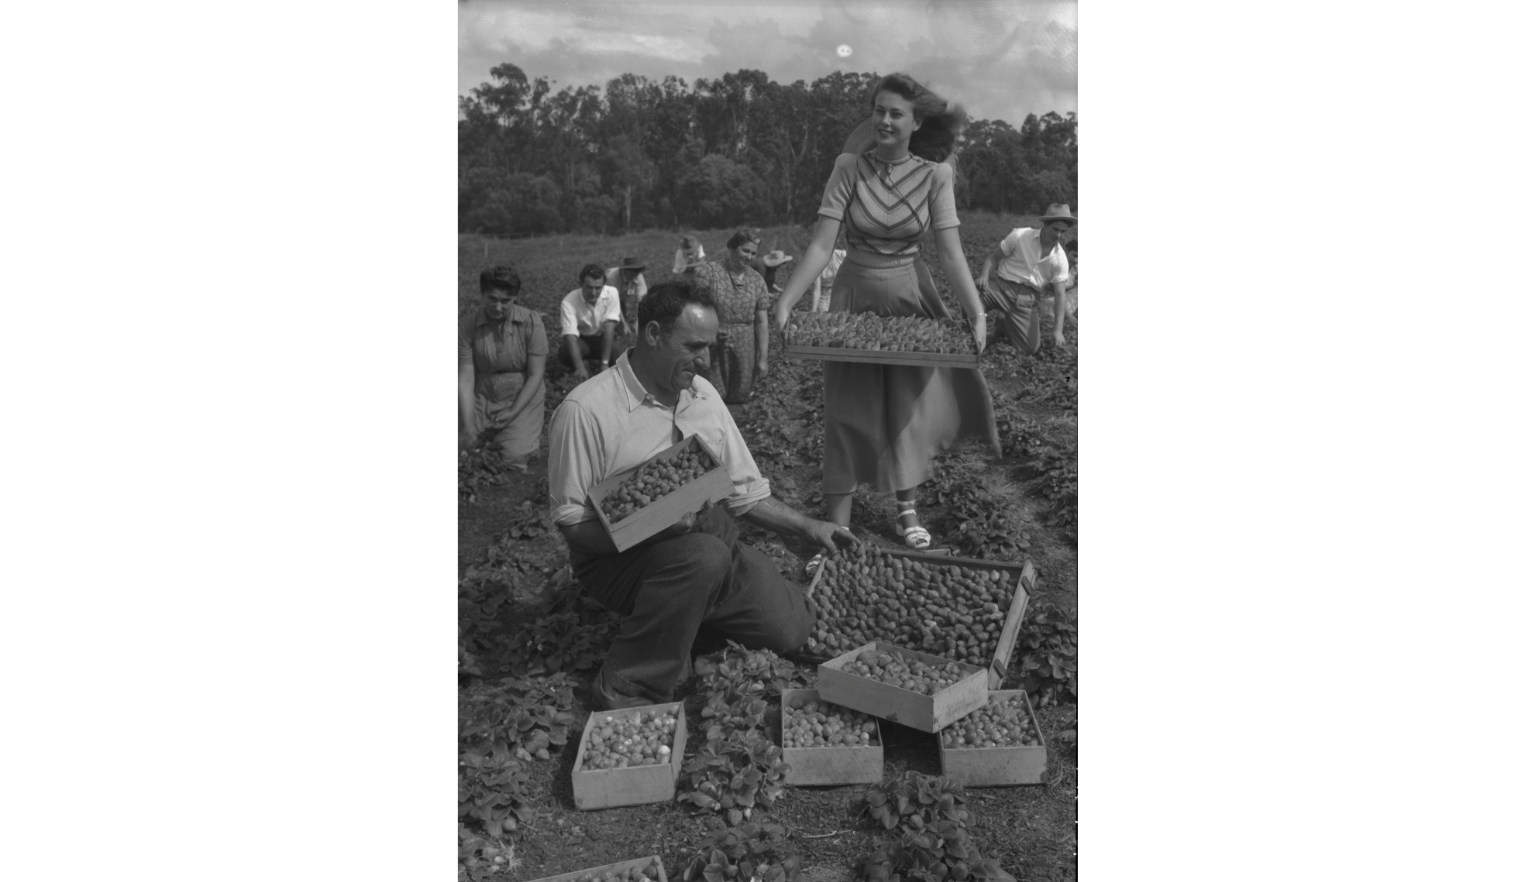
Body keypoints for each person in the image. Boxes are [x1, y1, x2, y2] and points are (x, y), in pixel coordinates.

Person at [547, 280, 857, 709]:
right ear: (653, 334)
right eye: (693, 345)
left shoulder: (702, 394)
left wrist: (808, 525)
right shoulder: (587, 412)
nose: (706, 359)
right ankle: (629, 687)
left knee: (791, 629)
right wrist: (651, 526)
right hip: (617, 561)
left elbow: (743, 492)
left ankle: (692, 621)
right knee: (702, 558)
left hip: (709, 540)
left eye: (709, 345)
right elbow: (575, 527)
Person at [772, 72, 998, 564]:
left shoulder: (936, 176)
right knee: (845, 408)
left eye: (896, 113)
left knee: (906, 405)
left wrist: (976, 311)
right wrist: (788, 298)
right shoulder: (849, 167)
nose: (885, 120)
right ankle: (837, 528)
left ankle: (908, 512)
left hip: (908, 292)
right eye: (879, 110)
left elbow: (951, 254)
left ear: (916, 122)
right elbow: (821, 244)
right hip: (854, 290)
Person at [456, 267, 548, 469]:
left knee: (512, 457)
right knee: (463, 446)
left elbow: (536, 374)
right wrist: (467, 424)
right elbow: (465, 380)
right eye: (492, 299)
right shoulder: (468, 326)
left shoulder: (531, 322)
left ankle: (526, 436)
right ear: (482, 295)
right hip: (482, 393)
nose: (498, 307)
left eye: (505, 301)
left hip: (521, 394)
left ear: (515, 297)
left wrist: (513, 411)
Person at [975, 205, 1077, 352]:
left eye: (1063, 231)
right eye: (1055, 229)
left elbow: (1060, 295)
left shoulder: (1060, 259)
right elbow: (993, 258)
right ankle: (977, 326)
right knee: (972, 296)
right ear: (1046, 224)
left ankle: (1004, 322)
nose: (1059, 235)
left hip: (1026, 300)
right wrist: (984, 276)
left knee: (1031, 348)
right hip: (1000, 289)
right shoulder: (1020, 236)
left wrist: (1058, 330)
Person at [691, 230, 773, 404]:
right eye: (745, 250)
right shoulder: (710, 272)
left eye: (753, 253)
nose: (749, 256)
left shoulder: (757, 281)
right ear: (731, 248)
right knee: (710, 395)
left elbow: (761, 322)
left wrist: (763, 358)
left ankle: (733, 428)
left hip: (745, 346)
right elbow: (694, 309)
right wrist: (710, 331)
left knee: (740, 394)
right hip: (712, 344)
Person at [558, 263, 622, 379]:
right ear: (580, 284)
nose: (593, 293)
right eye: (589, 287)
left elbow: (609, 329)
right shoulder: (569, 301)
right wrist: (579, 367)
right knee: (565, 352)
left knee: (617, 354)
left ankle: (601, 361)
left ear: (603, 285)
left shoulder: (612, 293)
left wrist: (604, 364)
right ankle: (578, 366)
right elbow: (570, 336)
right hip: (582, 340)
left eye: (598, 288)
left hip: (602, 338)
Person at [605, 256, 648, 338]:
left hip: (620, 298)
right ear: (625, 270)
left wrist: (638, 320)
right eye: (632, 273)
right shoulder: (612, 277)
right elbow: (614, 302)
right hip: (606, 302)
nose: (634, 275)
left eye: (636, 272)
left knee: (628, 328)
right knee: (620, 329)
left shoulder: (638, 275)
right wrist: (624, 324)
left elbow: (642, 299)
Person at [811, 247, 847, 312]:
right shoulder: (817, 261)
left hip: (840, 291)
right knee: (823, 313)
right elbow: (817, 290)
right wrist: (813, 310)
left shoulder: (842, 254)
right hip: (825, 293)